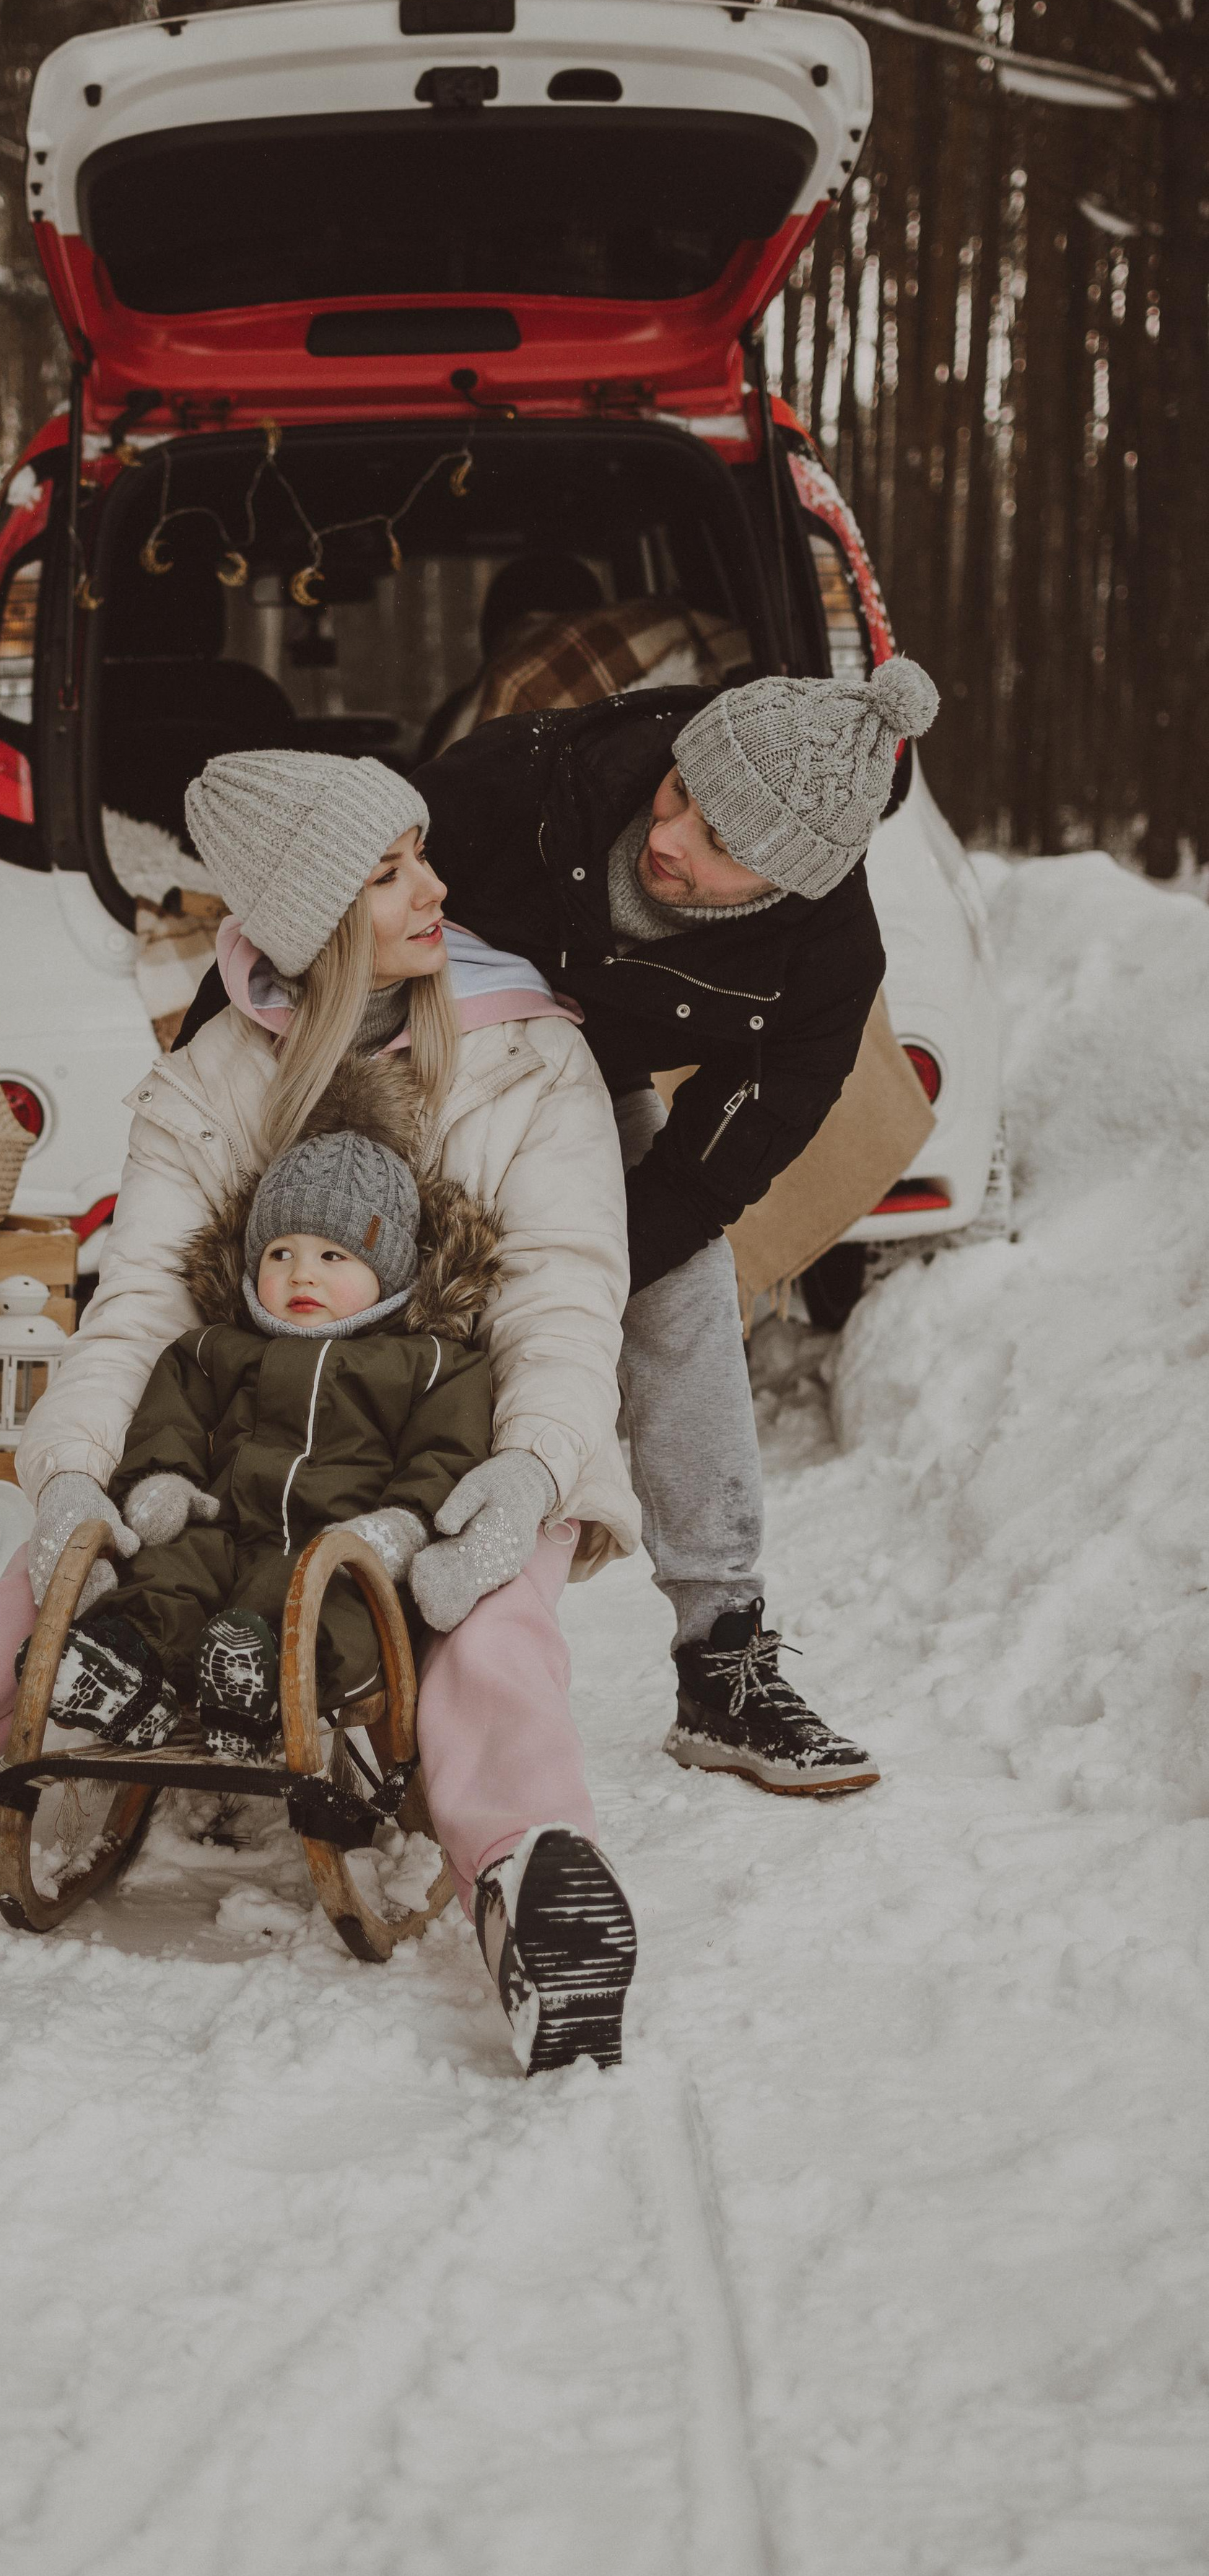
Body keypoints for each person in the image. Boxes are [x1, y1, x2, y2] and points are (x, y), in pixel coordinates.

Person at [0, 749, 643, 2076]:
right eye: (389, 874)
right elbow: (138, 1304)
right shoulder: (212, 1078)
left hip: (455, 1447)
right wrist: (77, 1472)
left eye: (419, 856)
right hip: (244, 1449)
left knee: (487, 1624)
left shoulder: (528, 1056)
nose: (435, 890)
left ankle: (535, 1892)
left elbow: (565, 1292)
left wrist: (532, 1467)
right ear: (311, 919)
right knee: (54, 1588)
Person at [414, 653, 942, 1793]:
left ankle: (723, 1661)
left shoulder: (825, 966)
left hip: (578, 1079)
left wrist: (561, 1283)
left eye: (720, 840)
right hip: (407, 1051)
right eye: (681, 792)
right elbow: (322, 903)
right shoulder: (531, 775)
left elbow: (699, 1186)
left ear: (789, 881)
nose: (670, 838)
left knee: (687, 1285)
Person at [40, 1117, 498, 1759]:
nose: (301, 1275)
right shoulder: (215, 1350)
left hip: (342, 1542)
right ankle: (127, 1670)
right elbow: (171, 1416)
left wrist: (406, 1522)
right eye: (280, 1254)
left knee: (325, 1601)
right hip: (225, 1524)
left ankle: (266, 1690)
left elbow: (446, 1451)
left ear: (389, 1270)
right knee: (170, 1569)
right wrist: (162, 1478)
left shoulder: (429, 1364)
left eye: (332, 1256)